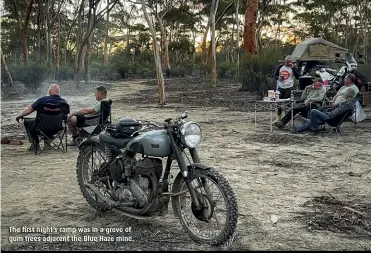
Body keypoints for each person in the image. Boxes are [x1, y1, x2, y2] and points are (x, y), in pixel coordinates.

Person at [15, 83, 70, 150]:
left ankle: (35, 144)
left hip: (41, 128)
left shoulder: (42, 100)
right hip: (57, 129)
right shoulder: (64, 103)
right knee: (51, 122)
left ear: (49, 91)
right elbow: (66, 117)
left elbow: (29, 110)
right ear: (59, 92)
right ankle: (47, 142)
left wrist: (20, 115)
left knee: (28, 121)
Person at [291, 88, 356, 133]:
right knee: (317, 117)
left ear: (347, 94)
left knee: (314, 111)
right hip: (333, 117)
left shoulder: (347, 104)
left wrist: (328, 113)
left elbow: (337, 112)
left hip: (332, 119)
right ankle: (300, 128)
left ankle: (313, 127)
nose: (344, 94)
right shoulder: (351, 103)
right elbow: (338, 112)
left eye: (345, 93)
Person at [273, 55, 300, 121]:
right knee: (278, 103)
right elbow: (275, 75)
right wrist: (278, 78)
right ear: (285, 61)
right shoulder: (280, 67)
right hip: (280, 87)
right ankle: (278, 118)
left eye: (289, 62)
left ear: (291, 62)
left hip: (288, 87)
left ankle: (286, 118)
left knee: (287, 103)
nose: (288, 64)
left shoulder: (293, 68)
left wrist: (293, 68)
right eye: (287, 62)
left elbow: (298, 76)